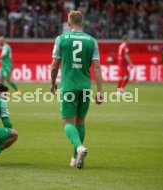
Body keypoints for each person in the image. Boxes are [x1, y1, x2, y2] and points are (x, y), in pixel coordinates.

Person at [50, 10, 103, 169]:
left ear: (68, 23)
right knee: (80, 121)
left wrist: (52, 83)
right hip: (85, 87)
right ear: (82, 23)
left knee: (67, 122)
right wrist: (100, 91)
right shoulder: (92, 41)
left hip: (69, 87)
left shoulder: (61, 39)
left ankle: (79, 148)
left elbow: (54, 65)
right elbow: (97, 67)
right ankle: (74, 158)